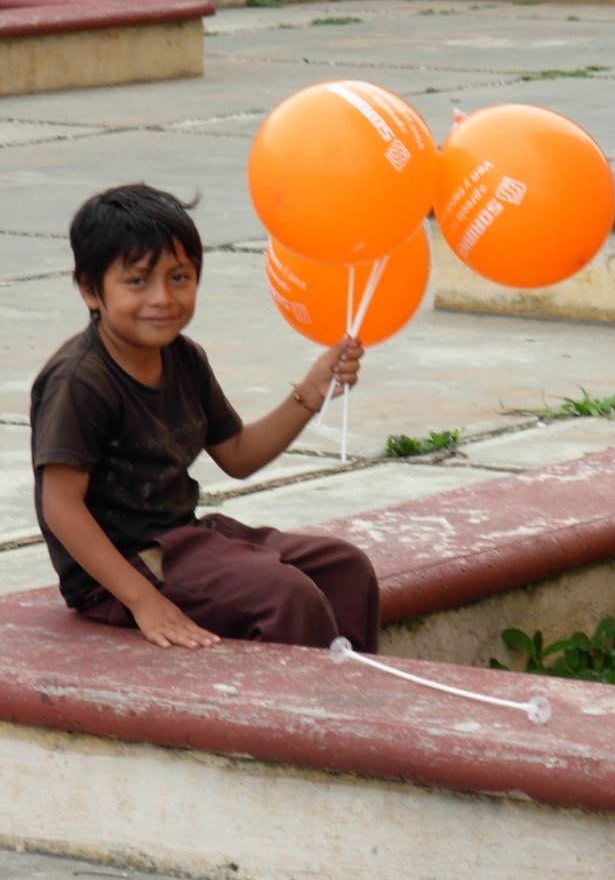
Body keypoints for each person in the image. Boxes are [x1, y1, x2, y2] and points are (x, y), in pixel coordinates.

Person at [31, 184, 379, 654]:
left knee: (346, 569)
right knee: (286, 597)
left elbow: (237, 454)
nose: (163, 298)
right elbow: (61, 507)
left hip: (185, 542)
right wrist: (143, 600)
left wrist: (310, 393)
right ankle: (296, 719)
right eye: (137, 282)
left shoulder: (182, 357)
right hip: (123, 571)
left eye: (180, 278)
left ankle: (352, 701)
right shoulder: (80, 381)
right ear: (91, 290)